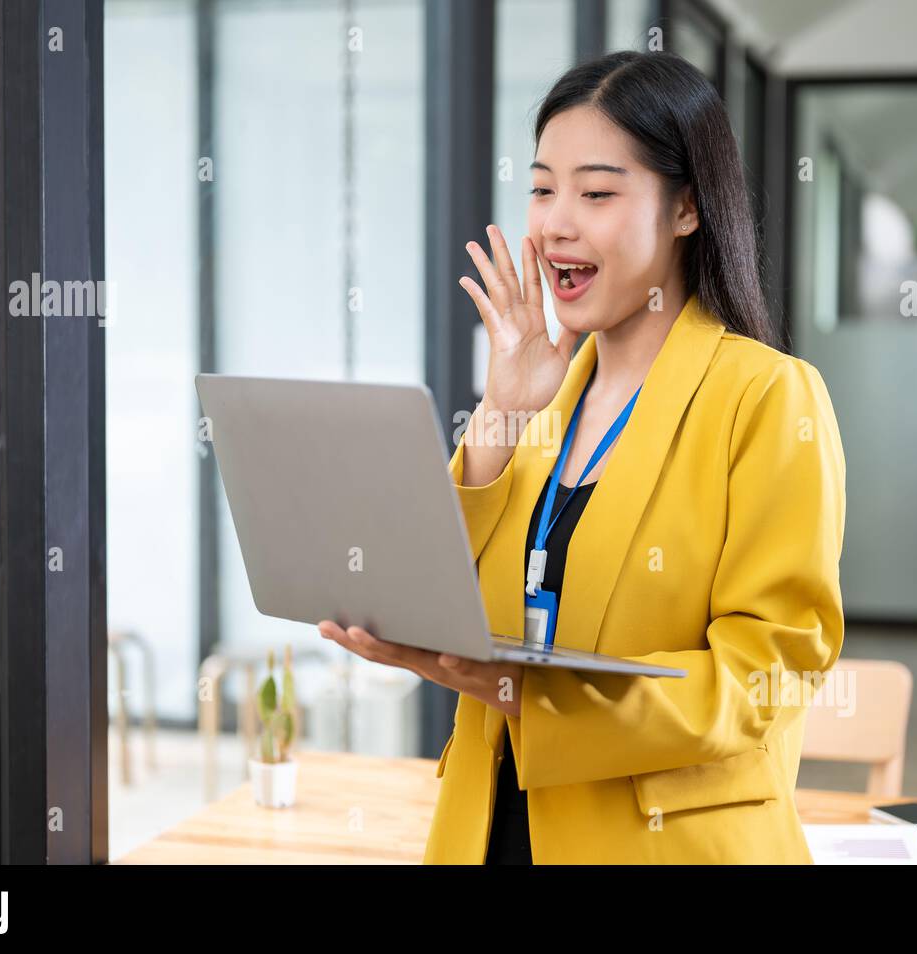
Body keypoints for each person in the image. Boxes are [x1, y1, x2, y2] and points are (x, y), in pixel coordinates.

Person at [318, 50, 846, 864]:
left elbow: (765, 676)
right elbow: (462, 607)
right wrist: (499, 411)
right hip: (492, 831)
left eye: (597, 193)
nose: (556, 222)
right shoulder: (543, 398)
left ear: (686, 210)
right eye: (541, 188)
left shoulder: (768, 398)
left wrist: (522, 692)